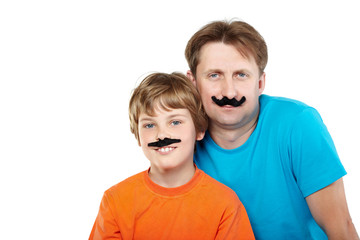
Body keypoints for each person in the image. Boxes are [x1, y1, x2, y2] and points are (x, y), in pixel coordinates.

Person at [185, 20, 359, 239]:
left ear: (260, 83)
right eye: (214, 75)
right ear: (192, 83)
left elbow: (341, 227)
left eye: (241, 75)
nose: (228, 90)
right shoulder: (180, 136)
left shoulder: (298, 124)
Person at [89, 72, 255, 239]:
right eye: (149, 125)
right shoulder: (115, 201)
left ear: (199, 130)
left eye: (175, 122)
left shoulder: (224, 204)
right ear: (138, 136)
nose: (161, 135)